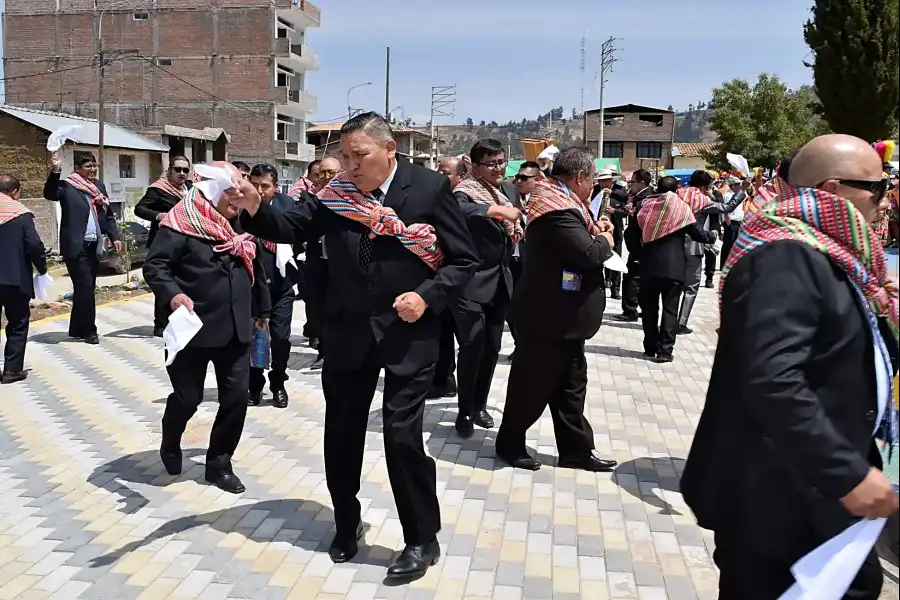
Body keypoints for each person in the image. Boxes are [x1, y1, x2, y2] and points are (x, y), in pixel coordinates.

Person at [235, 112, 478, 578]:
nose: (349, 166)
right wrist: (254, 208)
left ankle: (421, 537)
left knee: (401, 436)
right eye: (343, 156)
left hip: (409, 331)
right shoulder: (337, 194)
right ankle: (346, 522)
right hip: (347, 333)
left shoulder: (428, 188)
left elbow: (463, 259)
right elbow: (293, 226)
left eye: (358, 156)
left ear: (389, 150)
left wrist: (426, 298)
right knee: (341, 433)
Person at [681, 134, 899, 599]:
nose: (886, 199)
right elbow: (773, 379)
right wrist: (848, 473)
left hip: (807, 492)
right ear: (834, 190)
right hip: (777, 500)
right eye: (878, 187)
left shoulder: (831, 257)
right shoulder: (785, 256)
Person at [143, 162, 271, 494]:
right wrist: (173, 296)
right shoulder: (181, 224)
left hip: (236, 328)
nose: (238, 198)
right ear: (212, 191)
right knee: (188, 398)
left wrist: (263, 309)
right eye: (232, 191)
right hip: (193, 330)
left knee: (235, 399)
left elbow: (252, 263)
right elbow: (156, 266)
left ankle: (219, 464)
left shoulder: (240, 222)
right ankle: (171, 440)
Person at [495, 147, 618, 473]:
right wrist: (607, 238)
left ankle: (576, 449)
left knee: (571, 386)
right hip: (547, 317)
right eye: (592, 180)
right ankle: (509, 443)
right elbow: (589, 254)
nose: (592, 187)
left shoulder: (562, 202)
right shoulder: (556, 210)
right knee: (531, 386)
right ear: (579, 178)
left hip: (565, 318)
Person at [451, 140, 523, 437]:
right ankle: (464, 410)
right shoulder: (463, 191)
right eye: (491, 163)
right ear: (475, 166)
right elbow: (464, 212)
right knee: (471, 347)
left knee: (492, 347)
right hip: (469, 283)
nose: (498, 168)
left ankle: (479, 404)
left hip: (500, 281)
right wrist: (496, 212)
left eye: (502, 162)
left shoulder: (507, 190)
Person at [635, 177, 717, 363]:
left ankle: (649, 347)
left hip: (649, 267)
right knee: (670, 311)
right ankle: (665, 351)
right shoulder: (681, 209)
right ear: (677, 189)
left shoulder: (645, 208)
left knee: (649, 310)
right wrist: (712, 237)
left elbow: (631, 233)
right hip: (674, 268)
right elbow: (697, 234)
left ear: (657, 189)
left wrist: (638, 254)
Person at [43, 152, 122, 344]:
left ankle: (77, 328)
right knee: (85, 287)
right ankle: (89, 331)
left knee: (84, 288)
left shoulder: (99, 187)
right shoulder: (67, 186)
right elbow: (49, 193)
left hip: (94, 246)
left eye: (94, 166)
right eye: (88, 166)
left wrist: (115, 236)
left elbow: (108, 214)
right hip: (76, 246)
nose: (92, 169)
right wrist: (55, 170)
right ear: (77, 168)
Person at [248, 163, 302, 408]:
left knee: (280, 338)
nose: (259, 191)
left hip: (281, 286)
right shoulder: (239, 208)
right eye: (255, 184)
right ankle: (254, 384)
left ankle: (278, 382)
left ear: (275, 187)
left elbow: (300, 237)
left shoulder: (287, 207)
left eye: (265, 186)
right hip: (251, 288)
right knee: (255, 338)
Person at [675, 170, 743, 335]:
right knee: (691, 286)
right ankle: (681, 323)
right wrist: (741, 192)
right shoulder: (702, 199)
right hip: (693, 246)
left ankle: (668, 320)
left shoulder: (678, 193)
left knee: (674, 285)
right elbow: (727, 207)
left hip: (674, 245)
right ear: (705, 186)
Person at [135, 156, 192, 336]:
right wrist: (158, 215)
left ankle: (179, 320)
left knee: (180, 283)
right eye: (178, 169)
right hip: (163, 242)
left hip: (185, 242)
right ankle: (161, 324)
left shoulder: (188, 189)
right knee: (164, 282)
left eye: (185, 170)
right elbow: (139, 208)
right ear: (170, 171)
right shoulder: (158, 189)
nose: (181, 173)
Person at [0, 175, 48, 384]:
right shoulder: (20, 214)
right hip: (15, 279)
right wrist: (42, 269)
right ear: (15, 192)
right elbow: (34, 245)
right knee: (18, 322)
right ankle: (11, 370)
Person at [303, 156, 342, 368]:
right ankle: (323, 350)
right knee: (318, 307)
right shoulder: (311, 200)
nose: (327, 178)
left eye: (332, 173)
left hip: (341, 265)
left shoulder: (350, 199)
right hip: (317, 263)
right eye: (322, 174)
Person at [617, 169, 654, 322]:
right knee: (633, 276)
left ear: (641, 183)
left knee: (633, 278)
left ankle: (630, 310)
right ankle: (632, 308)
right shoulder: (638, 197)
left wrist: (633, 211)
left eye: (632, 182)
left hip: (640, 245)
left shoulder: (646, 198)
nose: (630, 185)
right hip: (635, 244)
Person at [590, 169, 628, 300]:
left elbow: (625, 210)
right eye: (601, 181)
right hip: (598, 230)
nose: (603, 183)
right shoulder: (594, 191)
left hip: (615, 230)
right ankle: (601, 284)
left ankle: (615, 289)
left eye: (605, 180)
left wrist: (614, 211)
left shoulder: (619, 192)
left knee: (616, 257)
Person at [719, 176, 748, 268]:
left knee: (734, 243)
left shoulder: (738, 194)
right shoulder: (727, 195)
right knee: (728, 244)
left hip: (738, 221)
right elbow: (726, 209)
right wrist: (727, 220)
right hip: (731, 221)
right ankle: (723, 264)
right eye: (738, 184)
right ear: (732, 186)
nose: (739, 186)